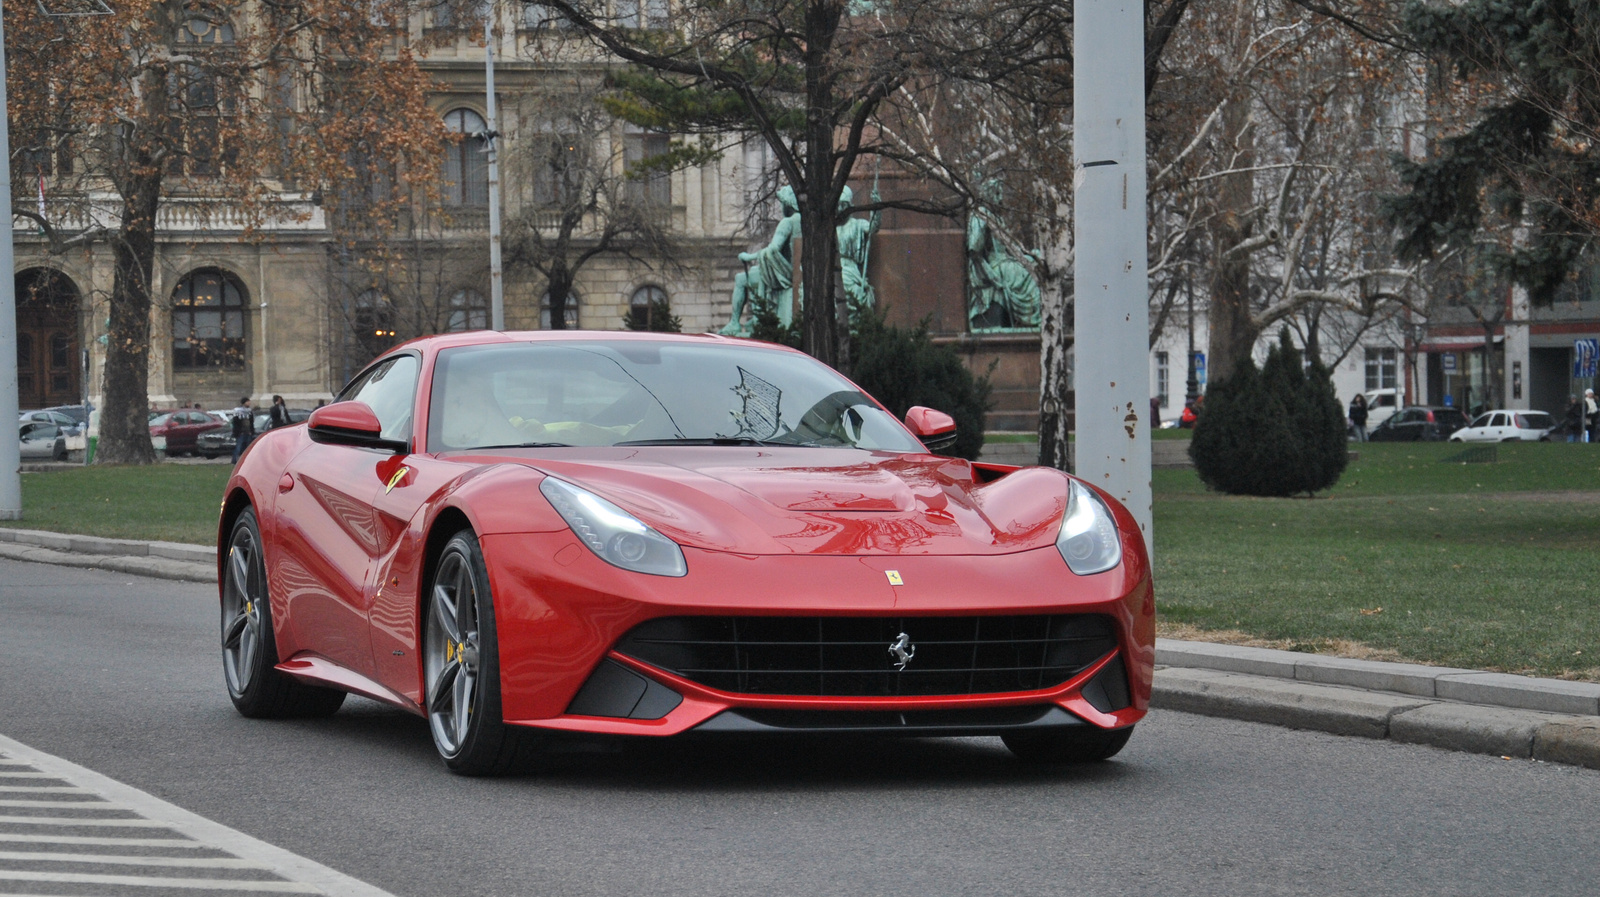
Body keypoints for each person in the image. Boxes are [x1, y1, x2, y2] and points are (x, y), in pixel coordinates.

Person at [230, 397, 255, 464]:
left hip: (248, 432)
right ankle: (235, 460)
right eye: (248, 401)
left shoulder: (249, 411)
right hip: (241, 432)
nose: (249, 403)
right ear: (244, 402)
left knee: (247, 447)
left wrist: (251, 431)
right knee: (239, 446)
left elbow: (251, 422)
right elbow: (235, 422)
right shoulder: (238, 411)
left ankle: (246, 461)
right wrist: (237, 432)